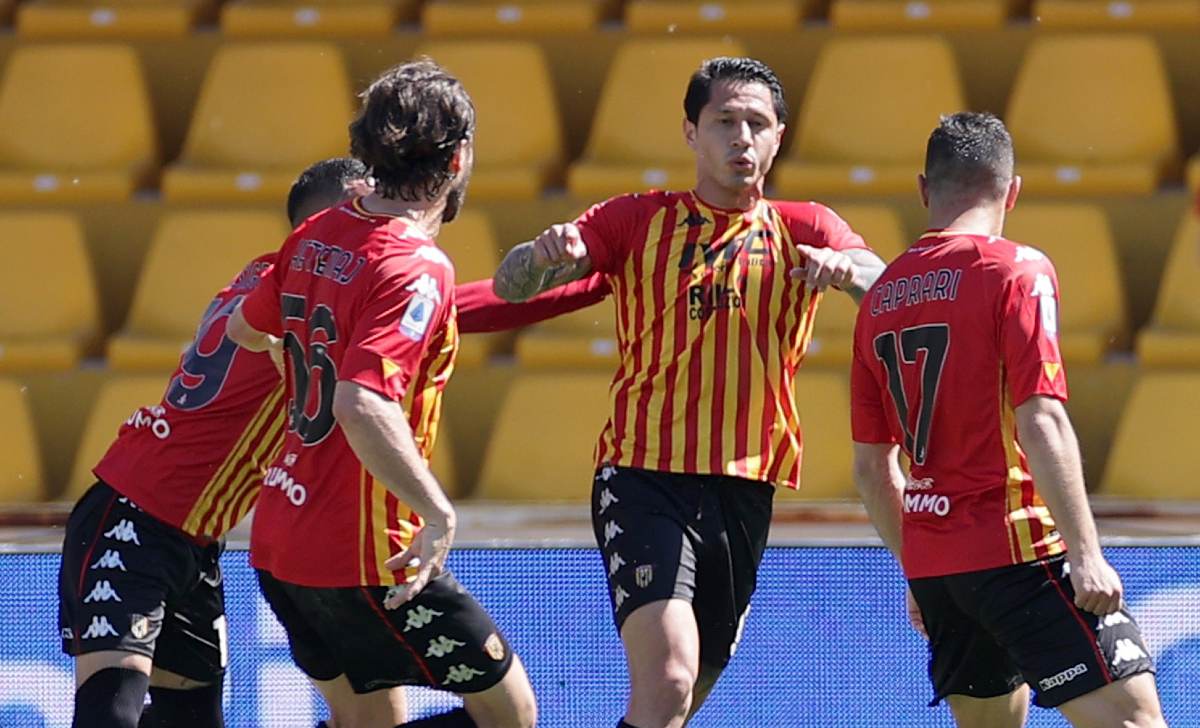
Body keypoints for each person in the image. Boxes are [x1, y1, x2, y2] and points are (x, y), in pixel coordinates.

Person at [490, 57, 886, 728]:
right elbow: (510, 285)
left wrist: (846, 271)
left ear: (779, 137)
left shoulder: (807, 227)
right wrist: (539, 255)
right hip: (644, 475)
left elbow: (888, 284)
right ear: (690, 132)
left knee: (683, 696)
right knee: (671, 676)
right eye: (724, 121)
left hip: (745, 487)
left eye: (756, 123)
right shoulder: (635, 219)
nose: (741, 138)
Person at [228, 60, 537, 728]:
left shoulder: (315, 233)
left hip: (280, 538)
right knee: (509, 713)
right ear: (458, 159)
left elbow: (243, 329)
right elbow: (361, 401)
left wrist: (294, 353)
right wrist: (438, 512)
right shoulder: (417, 267)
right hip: (368, 551)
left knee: (368, 721)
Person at [56, 157, 417, 728]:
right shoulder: (315, 294)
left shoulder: (265, 277)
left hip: (193, 537)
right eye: (368, 208)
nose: (384, 223)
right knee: (110, 714)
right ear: (327, 221)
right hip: (135, 514)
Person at [850, 112, 1166, 727]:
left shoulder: (879, 300)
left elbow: (871, 468)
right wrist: (1086, 554)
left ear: (923, 189)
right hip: (1021, 553)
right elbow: (1041, 418)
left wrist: (918, 568)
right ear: (1012, 191)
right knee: (1135, 721)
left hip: (940, 571)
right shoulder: (1015, 270)